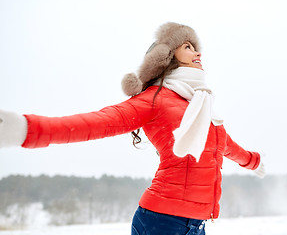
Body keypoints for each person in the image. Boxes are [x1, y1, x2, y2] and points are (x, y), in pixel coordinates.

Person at [0, 22, 265, 235]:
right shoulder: (154, 99)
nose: (198, 53)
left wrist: (254, 162)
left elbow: (227, 147)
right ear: (168, 56)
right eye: (188, 46)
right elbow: (97, 122)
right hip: (162, 223)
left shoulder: (202, 108)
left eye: (197, 48)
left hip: (196, 225)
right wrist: (26, 129)